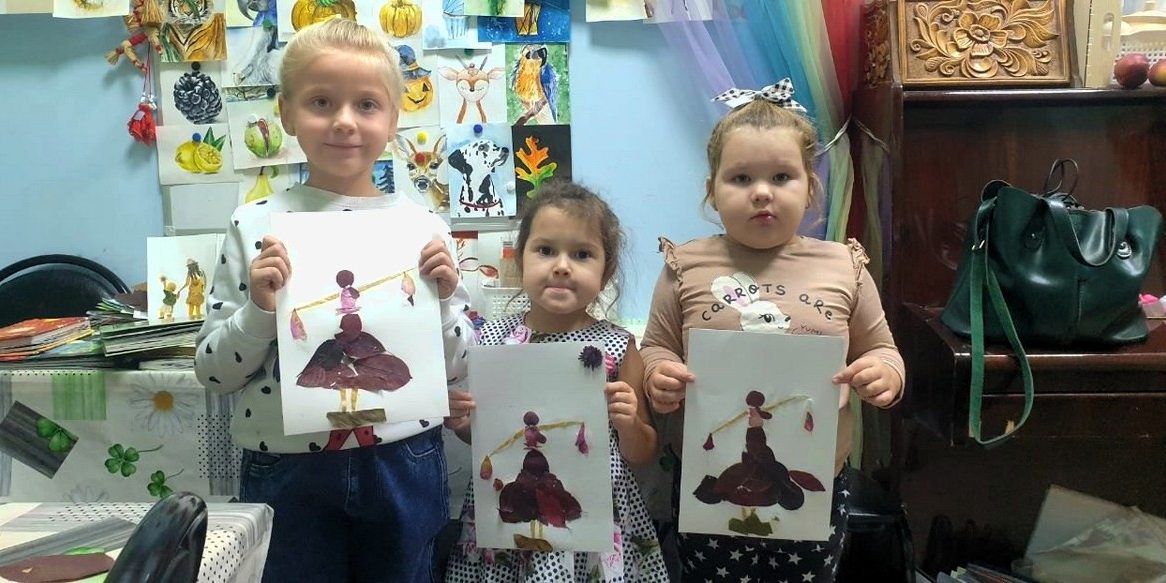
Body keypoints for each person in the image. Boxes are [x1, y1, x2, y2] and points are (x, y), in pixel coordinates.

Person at [193, 17, 473, 583]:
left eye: (366, 105)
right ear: (286, 114)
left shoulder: (423, 228)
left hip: (403, 455)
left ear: (393, 120)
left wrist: (443, 303)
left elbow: (457, 365)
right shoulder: (255, 225)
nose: (345, 121)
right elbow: (213, 373)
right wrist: (259, 312)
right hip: (288, 464)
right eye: (321, 102)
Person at [640, 79, 906, 582]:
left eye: (782, 176)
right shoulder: (686, 265)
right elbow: (656, 347)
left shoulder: (843, 265)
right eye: (740, 178)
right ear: (712, 191)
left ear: (811, 188)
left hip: (817, 476)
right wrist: (660, 375)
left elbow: (883, 350)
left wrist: (882, 375)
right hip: (709, 472)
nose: (762, 192)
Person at [443, 181, 671, 582]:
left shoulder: (617, 347)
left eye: (582, 254)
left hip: (590, 523)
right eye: (546, 250)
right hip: (506, 523)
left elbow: (643, 452)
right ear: (520, 259)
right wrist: (464, 425)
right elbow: (487, 439)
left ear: (606, 272)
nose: (562, 266)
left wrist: (629, 423)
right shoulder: (490, 341)